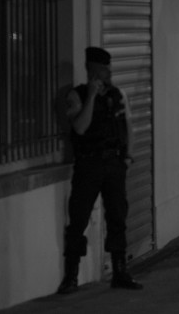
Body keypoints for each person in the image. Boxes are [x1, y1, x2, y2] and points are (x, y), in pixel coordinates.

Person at [57, 47, 143, 295]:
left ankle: (120, 271)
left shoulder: (118, 95)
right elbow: (80, 128)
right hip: (89, 166)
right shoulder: (78, 95)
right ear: (93, 70)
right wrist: (92, 96)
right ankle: (71, 276)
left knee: (117, 217)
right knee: (79, 218)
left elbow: (128, 126)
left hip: (114, 165)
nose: (109, 73)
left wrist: (128, 156)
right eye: (104, 69)